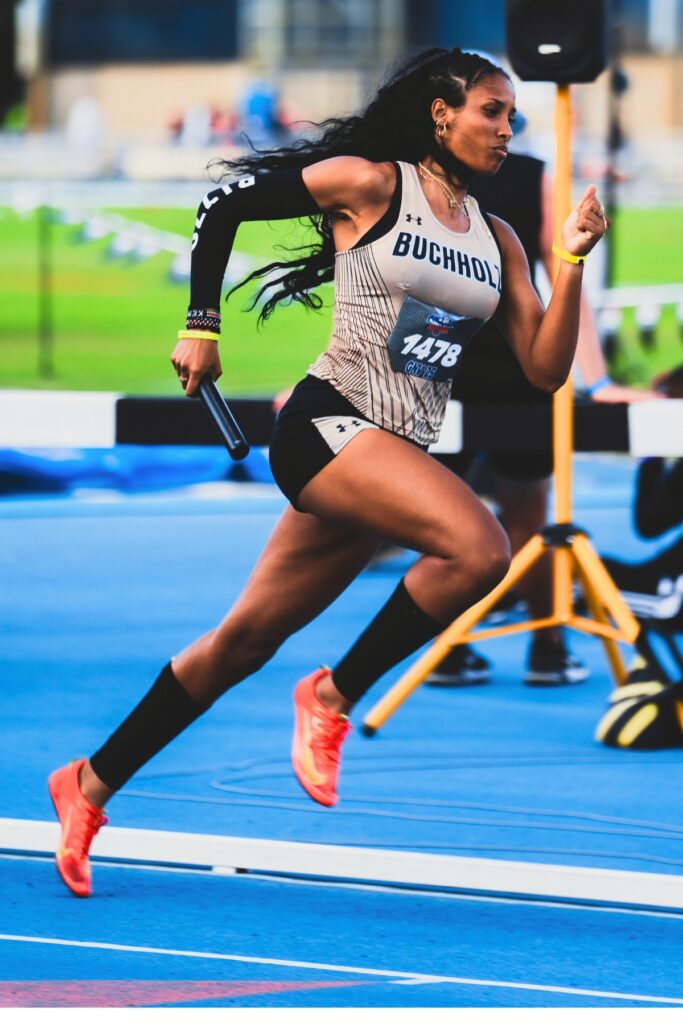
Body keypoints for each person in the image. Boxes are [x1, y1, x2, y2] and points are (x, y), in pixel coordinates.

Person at [48, 47, 608, 897]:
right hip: (327, 427)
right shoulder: (372, 184)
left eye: (510, 115)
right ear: (439, 114)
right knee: (479, 547)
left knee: (240, 642)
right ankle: (335, 693)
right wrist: (202, 324)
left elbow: (542, 368)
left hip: (390, 455)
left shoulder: (495, 237)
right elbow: (225, 203)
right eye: (490, 110)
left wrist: (568, 261)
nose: (506, 128)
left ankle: (87, 785)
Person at [425, 148, 655, 687]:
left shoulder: (414, 174)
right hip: (478, 362)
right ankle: (542, 648)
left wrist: (594, 381)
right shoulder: (519, 174)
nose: (503, 127)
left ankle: (467, 649)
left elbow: (562, 270)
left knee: (461, 517)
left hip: (455, 358)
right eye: (493, 111)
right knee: (514, 514)